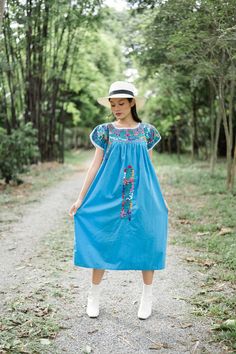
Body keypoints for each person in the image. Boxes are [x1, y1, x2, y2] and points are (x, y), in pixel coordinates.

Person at [69, 81, 169, 320]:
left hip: (142, 194)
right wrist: (81, 198)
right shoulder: (105, 131)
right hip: (109, 193)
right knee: (102, 238)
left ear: (132, 103)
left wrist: (160, 198)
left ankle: (147, 296)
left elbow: (149, 168)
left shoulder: (147, 132)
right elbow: (96, 164)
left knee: (148, 239)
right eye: (113, 104)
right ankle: (93, 295)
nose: (116, 108)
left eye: (121, 103)